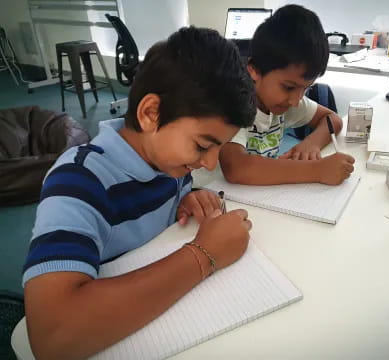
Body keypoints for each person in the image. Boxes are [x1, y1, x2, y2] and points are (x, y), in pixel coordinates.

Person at [22, 26, 256, 360]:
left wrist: (186, 199)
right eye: (203, 145)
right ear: (150, 114)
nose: (210, 163)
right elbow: (53, 336)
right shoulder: (76, 182)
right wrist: (204, 254)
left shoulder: (168, 164)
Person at [219, 4, 355, 186]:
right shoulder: (235, 103)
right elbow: (236, 168)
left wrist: (312, 143)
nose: (296, 101)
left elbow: (333, 120)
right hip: (214, 198)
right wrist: (318, 170)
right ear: (254, 71)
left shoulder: (284, 103)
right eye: (289, 87)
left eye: (305, 89)